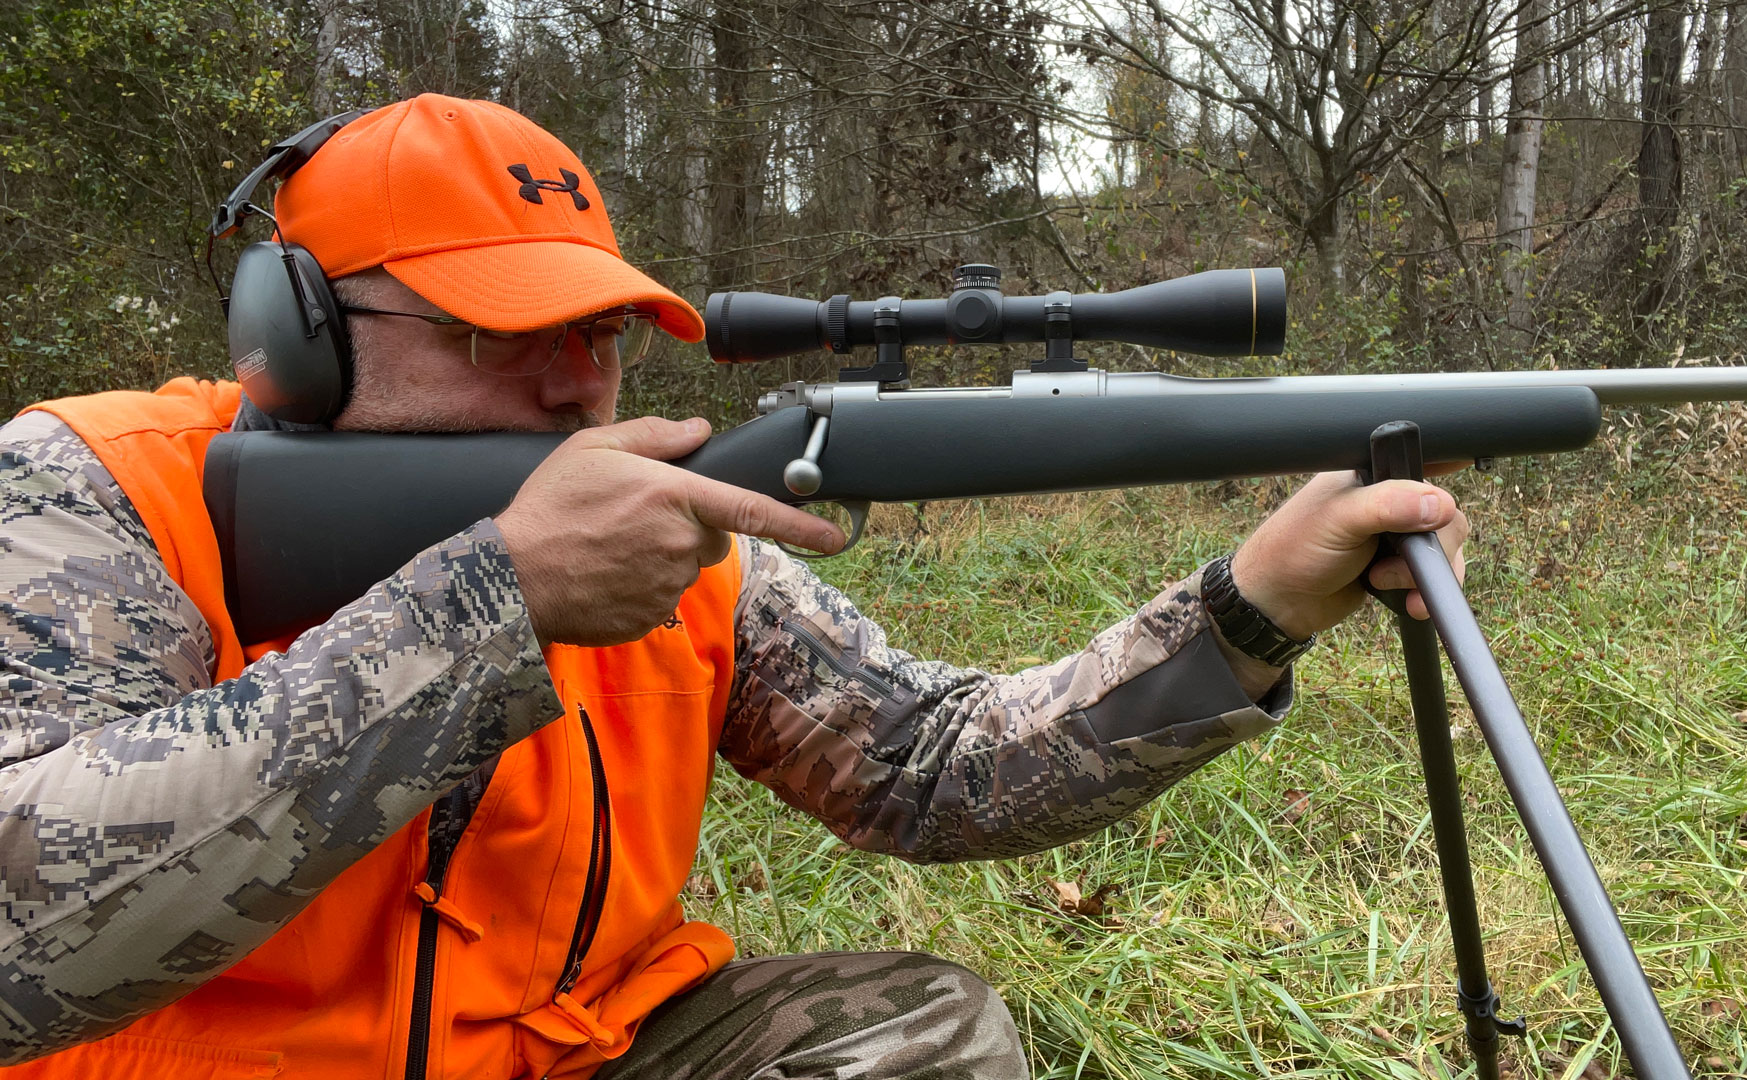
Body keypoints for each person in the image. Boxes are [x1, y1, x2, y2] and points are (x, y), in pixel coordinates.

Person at [0, 94, 1468, 1079]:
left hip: (570, 1052)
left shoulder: (674, 536)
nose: (577, 383)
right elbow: (27, 935)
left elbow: (925, 769)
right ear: (298, 333)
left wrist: (1251, 609)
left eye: (600, 331)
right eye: (503, 333)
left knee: (921, 1035)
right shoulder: (96, 496)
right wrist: (488, 608)